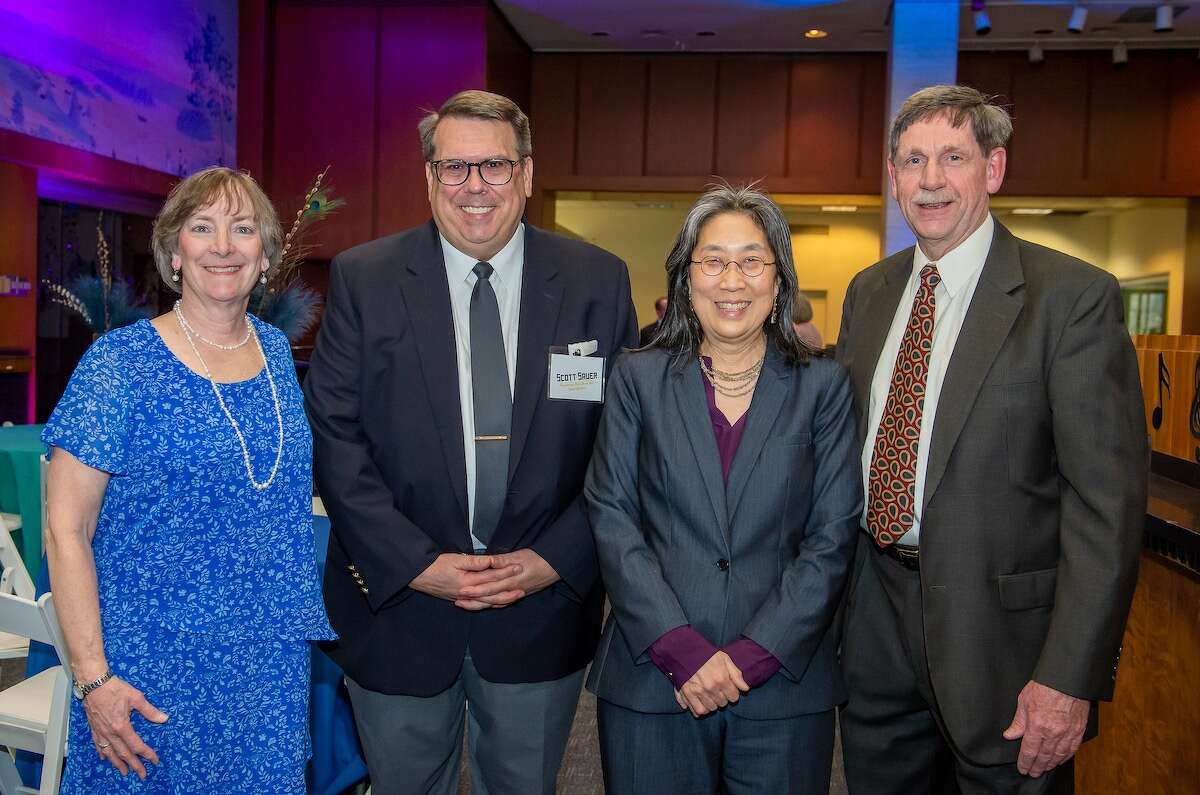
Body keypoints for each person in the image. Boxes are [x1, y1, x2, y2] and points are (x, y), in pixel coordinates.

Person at [303, 89, 637, 795]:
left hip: (540, 612)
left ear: (525, 172)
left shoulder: (595, 282)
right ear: (428, 176)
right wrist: (418, 564)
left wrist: (554, 560)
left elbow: (622, 446)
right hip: (397, 610)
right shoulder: (365, 279)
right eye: (454, 168)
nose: (474, 187)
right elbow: (335, 438)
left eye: (493, 165)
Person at [836, 85, 1147, 794]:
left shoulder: (1071, 299)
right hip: (875, 624)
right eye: (912, 160)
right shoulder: (870, 291)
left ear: (994, 169)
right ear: (892, 178)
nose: (931, 180)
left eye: (953, 156)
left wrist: (1069, 676)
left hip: (1006, 653)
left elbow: (1106, 511)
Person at [42, 166, 335, 793]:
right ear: (176, 252)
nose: (223, 246)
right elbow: (66, 530)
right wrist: (94, 679)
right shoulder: (118, 365)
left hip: (264, 670)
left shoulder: (278, 353)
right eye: (203, 228)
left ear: (265, 255)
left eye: (242, 229)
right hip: (150, 668)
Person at [585, 185, 861, 794]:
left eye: (752, 260)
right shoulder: (638, 377)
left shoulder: (824, 386)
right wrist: (681, 649)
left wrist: (751, 656)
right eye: (712, 260)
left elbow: (833, 536)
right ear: (686, 278)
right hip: (653, 680)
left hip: (784, 686)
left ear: (779, 277)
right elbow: (611, 514)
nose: (732, 280)